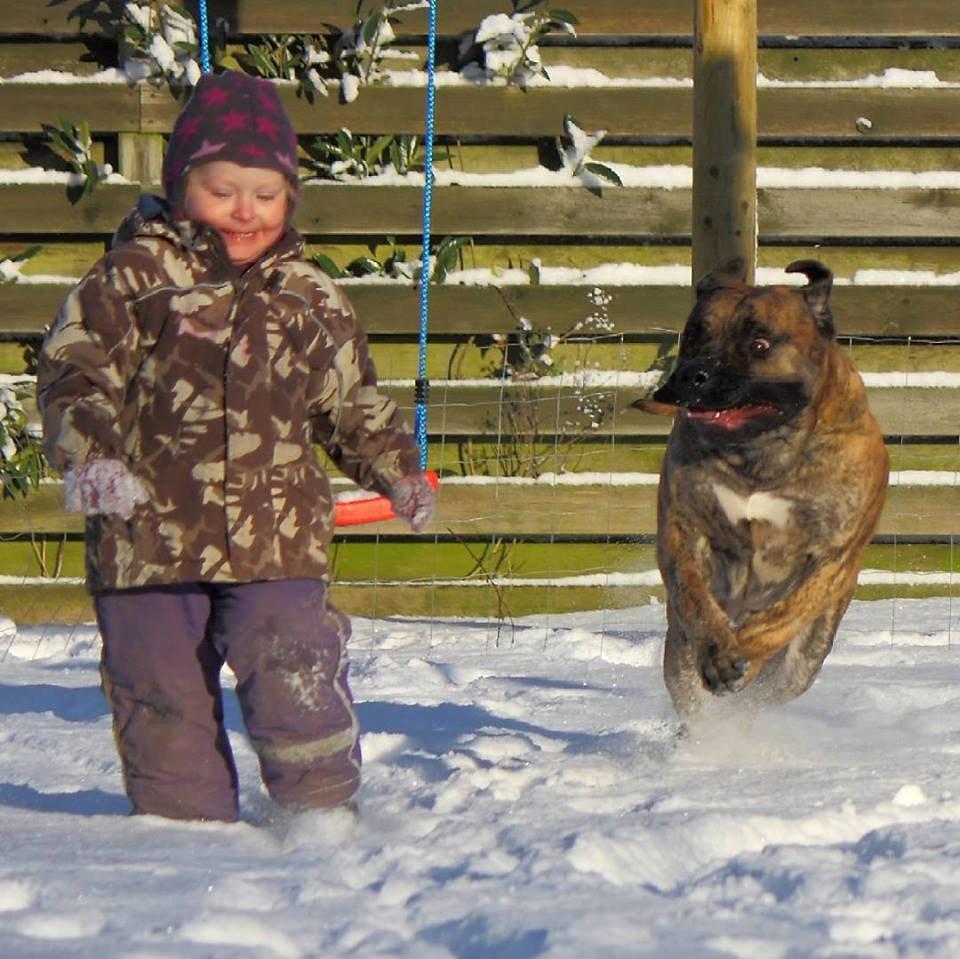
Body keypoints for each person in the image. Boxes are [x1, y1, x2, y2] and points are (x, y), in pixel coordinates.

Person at [36, 71, 436, 823]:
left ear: (290, 197)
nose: (245, 210)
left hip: (275, 538)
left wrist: (397, 470)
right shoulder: (132, 279)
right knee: (158, 691)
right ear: (181, 184)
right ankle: (182, 835)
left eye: (266, 192)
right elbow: (73, 372)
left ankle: (321, 815)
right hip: (147, 537)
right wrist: (90, 459)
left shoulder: (310, 297)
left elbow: (351, 403)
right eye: (223, 189)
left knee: (292, 662)